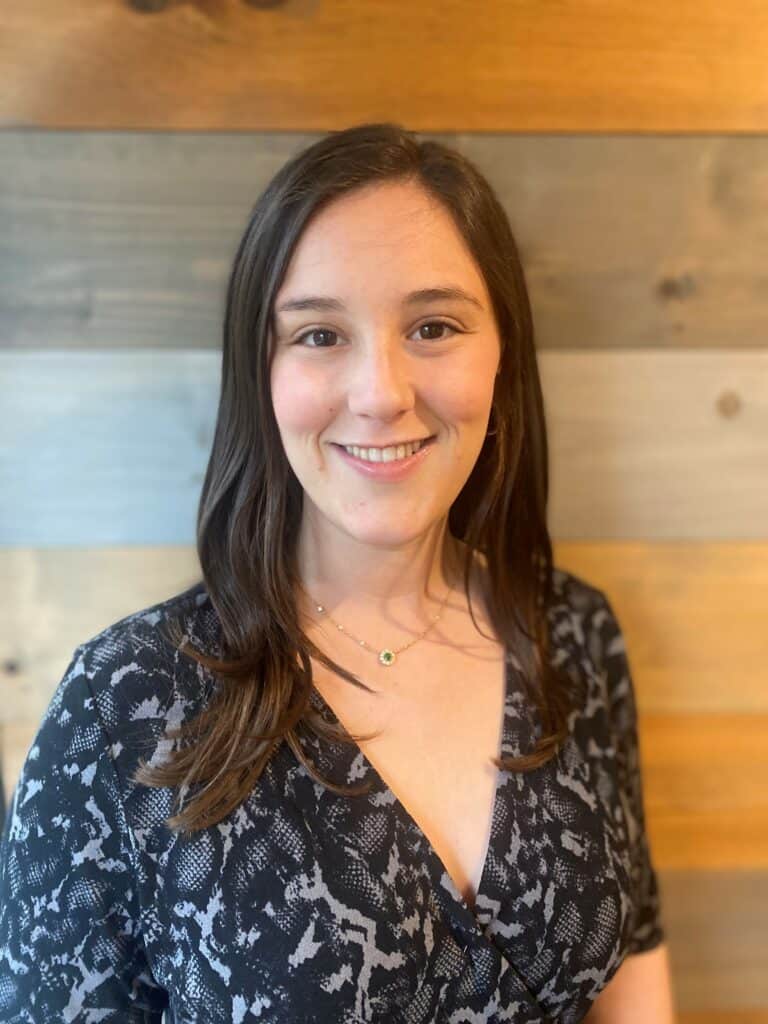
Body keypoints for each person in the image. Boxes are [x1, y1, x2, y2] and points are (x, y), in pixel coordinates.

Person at [0, 122, 675, 1022]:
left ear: (502, 356)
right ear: (262, 372)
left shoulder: (574, 633)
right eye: (320, 335)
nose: (381, 392)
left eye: (433, 326)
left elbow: (634, 971)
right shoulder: (120, 708)